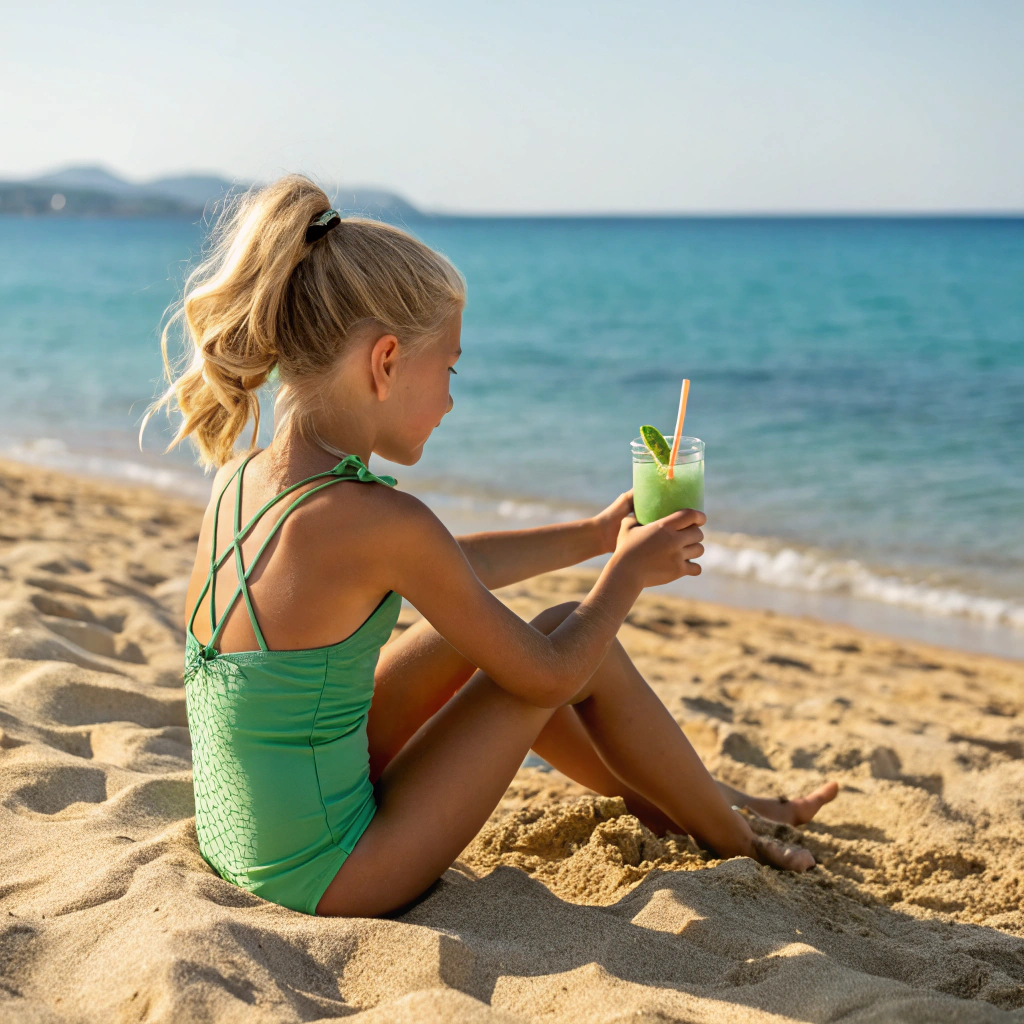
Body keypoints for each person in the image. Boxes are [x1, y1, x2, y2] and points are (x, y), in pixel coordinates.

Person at [153, 175, 837, 919]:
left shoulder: (248, 477)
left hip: (242, 833)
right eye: (448, 370)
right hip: (331, 873)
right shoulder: (381, 520)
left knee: (517, 631)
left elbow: (448, 566)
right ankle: (734, 837)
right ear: (386, 362)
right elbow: (546, 676)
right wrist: (626, 575)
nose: (450, 399)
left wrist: (591, 536)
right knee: (571, 642)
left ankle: (696, 796)